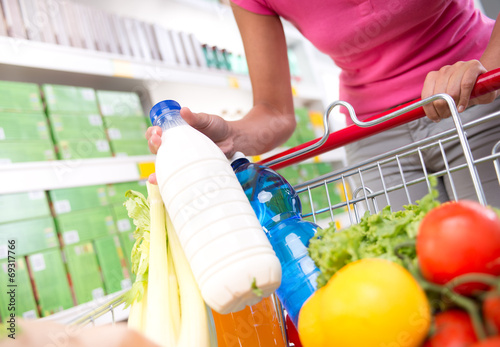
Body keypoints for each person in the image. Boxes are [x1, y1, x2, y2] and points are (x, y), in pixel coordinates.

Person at [147, 0, 500, 209]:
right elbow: (275, 112)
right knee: (414, 281)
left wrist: (488, 65)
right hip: (373, 131)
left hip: (475, 100)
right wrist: (230, 136)